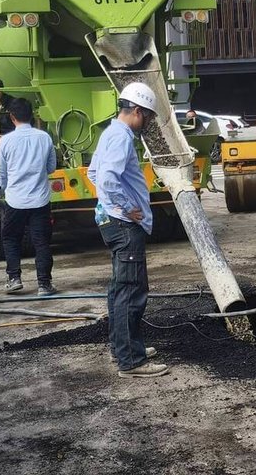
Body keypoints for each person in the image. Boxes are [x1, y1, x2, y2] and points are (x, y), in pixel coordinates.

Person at [87, 82, 170, 379]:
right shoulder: (121, 138)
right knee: (131, 291)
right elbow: (106, 179)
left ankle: (124, 347)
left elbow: (92, 173)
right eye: (146, 116)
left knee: (120, 289)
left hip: (112, 222)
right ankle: (131, 360)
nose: (147, 122)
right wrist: (126, 207)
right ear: (136, 111)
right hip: (123, 224)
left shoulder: (109, 134)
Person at [0, 98, 57, 296]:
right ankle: (44, 285)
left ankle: (14, 279)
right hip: (40, 200)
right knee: (42, 242)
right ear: (32, 115)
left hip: (15, 201)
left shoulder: (5, 141)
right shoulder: (44, 137)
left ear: (12, 117)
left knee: (11, 238)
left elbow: (1, 174)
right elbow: (51, 168)